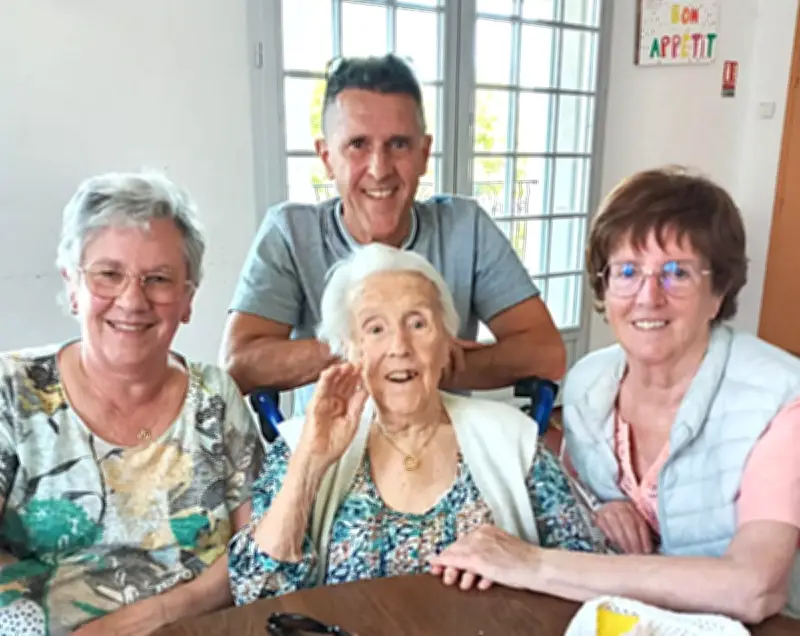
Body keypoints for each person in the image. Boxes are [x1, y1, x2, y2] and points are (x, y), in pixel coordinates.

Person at [429, 167, 800, 623]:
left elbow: (755, 587)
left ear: (718, 290)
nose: (648, 297)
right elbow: (572, 498)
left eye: (676, 274)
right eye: (627, 271)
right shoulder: (590, 383)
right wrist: (601, 508)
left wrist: (531, 563)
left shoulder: (780, 397)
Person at [226, 244, 604, 604]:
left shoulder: (510, 439)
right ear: (350, 350)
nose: (399, 347)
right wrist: (309, 464)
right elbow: (258, 592)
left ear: (446, 344)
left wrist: (528, 562)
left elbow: (590, 565)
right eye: (375, 329)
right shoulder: (301, 442)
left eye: (418, 324)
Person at [220, 54, 565, 415]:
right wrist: (363, 345)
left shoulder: (467, 228)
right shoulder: (290, 233)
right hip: (334, 452)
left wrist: (428, 362)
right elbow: (239, 364)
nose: (379, 169)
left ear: (424, 153)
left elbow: (547, 353)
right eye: (358, 145)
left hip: (444, 449)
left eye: (398, 144)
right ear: (326, 157)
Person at [0, 173, 264, 636]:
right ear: (73, 286)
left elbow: (259, 547)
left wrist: (148, 619)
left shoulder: (216, 399)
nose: (131, 300)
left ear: (187, 300)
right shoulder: (11, 391)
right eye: (108, 274)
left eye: (158, 280)